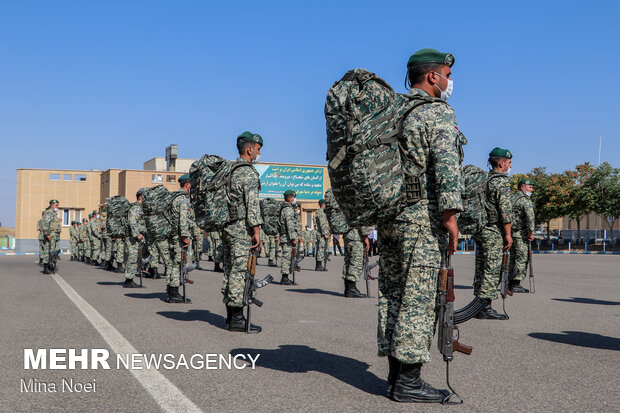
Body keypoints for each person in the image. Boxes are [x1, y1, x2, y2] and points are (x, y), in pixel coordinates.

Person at [377, 48, 465, 403]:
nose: (448, 81)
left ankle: (396, 376)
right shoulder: (436, 113)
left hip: (389, 218)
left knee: (393, 294)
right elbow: (446, 166)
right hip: (420, 220)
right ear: (432, 76)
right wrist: (451, 217)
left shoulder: (390, 112)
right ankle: (409, 383)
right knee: (420, 297)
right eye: (446, 74)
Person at [221, 131, 264, 332]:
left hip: (227, 228)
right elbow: (252, 204)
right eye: (258, 150)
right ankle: (237, 320)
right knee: (239, 272)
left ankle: (230, 317)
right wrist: (256, 229)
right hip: (241, 229)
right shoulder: (248, 172)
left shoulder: (229, 170)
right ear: (249, 149)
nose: (259, 154)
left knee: (230, 271)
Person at [473, 147, 513, 319]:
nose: (510, 166)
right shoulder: (502, 182)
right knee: (493, 267)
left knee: (481, 266)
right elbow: (505, 211)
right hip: (493, 230)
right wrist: (508, 234)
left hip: (481, 228)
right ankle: (485, 306)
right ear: (501, 163)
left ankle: (478, 302)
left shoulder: (484, 180)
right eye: (509, 163)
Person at [163, 174, 193, 303]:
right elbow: (183, 220)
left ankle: (170, 290)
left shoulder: (172, 197)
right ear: (187, 184)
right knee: (176, 264)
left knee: (171, 264)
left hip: (170, 235)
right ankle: (174, 293)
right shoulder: (183, 199)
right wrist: (185, 237)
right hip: (179, 237)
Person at [509, 178, 535, 293]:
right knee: (522, 258)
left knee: (512, 258)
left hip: (510, 233)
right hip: (520, 234)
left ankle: (508, 281)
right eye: (530, 187)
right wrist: (530, 232)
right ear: (522, 187)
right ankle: (515, 283)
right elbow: (530, 218)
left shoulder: (511, 198)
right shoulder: (525, 200)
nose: (532, 190)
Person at [123, 189, 146, 288]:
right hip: (133, 237)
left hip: (137, 236)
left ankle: (130, 278)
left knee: (135, 257)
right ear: (140, 197)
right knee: (132, 257)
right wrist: (137, 234)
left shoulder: (140, 208)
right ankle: (128, 280)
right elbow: (132, 222)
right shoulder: (136, 208)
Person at [279, 190, 299, 285]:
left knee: (288, 257)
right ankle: (284, 278)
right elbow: (290, 224)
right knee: (286, 257)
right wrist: (293, 238)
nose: (294, 199)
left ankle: (285, 277)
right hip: (287, 238)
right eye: (293, 197)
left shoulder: (285, 208)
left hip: (285, 236)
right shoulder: (288, 209)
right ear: (289, 198)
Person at [342, 227, 369, 298]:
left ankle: (347, 288)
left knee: (348, 262)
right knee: (356, 262)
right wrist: (366, 237)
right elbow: (364, 220)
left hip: (347, 236)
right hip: (356, 237)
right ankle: (351, 289)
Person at [41, 200, 62, 274]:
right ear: (52, 205)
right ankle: (46, 267)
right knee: (48, 251)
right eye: (57, 205)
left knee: (54, 252)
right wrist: (47, 234)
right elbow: (45, 224)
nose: (58, 207)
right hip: (51, 235)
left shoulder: (54, 213)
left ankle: (51, 265)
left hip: (55, 235)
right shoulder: (49, 213)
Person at [314, 199, 330, 271]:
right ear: (323, 204)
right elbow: (322, 224)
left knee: (321, 249)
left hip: (321, 233)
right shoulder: (320, 212)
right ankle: (318, 265)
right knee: (320, 249)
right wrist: (325, 233)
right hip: (321, 234)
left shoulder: (322, 212)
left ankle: (319, 265)